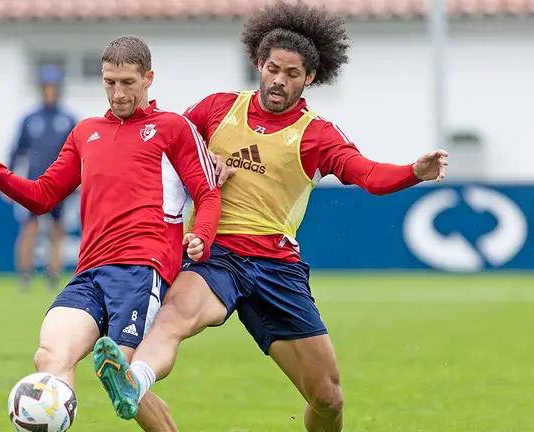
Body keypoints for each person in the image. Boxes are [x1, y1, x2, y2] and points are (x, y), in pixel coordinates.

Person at [92, 2, 450, 431]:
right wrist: (201, 164)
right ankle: (133, 381)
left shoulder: (317, 134)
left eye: (292, 73)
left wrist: (414, 171)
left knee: (328, 397)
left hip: (276, 267)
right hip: (214, 254)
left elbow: (368, 175)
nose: (279, 80)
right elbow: (163, 148)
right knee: (173, 319)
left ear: (310, 78)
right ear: (258, 65)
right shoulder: (216, 109)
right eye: (273, 68)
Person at [0, 35, 220, 432]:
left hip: (141, 271)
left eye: (128, 83)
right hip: (89, 273)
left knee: (121, 372)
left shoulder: (173, 128)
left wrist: (201, 234)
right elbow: (42, 196)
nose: (117, 93)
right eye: (109, 82)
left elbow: (207, 193)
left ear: (149, 78)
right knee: (49, 359)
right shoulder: (86, 133)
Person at [7, 64, 79, 291]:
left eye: (53, 87)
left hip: (60, 184)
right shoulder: (30, 118)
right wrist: (7, 179)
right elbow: (17, 150)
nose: (50, 91)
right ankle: (25, 275)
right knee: (30, 228)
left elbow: (79, 152)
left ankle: (53, 276)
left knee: (57, 230)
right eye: (46, 87)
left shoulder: (68, 119)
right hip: (33, 183)